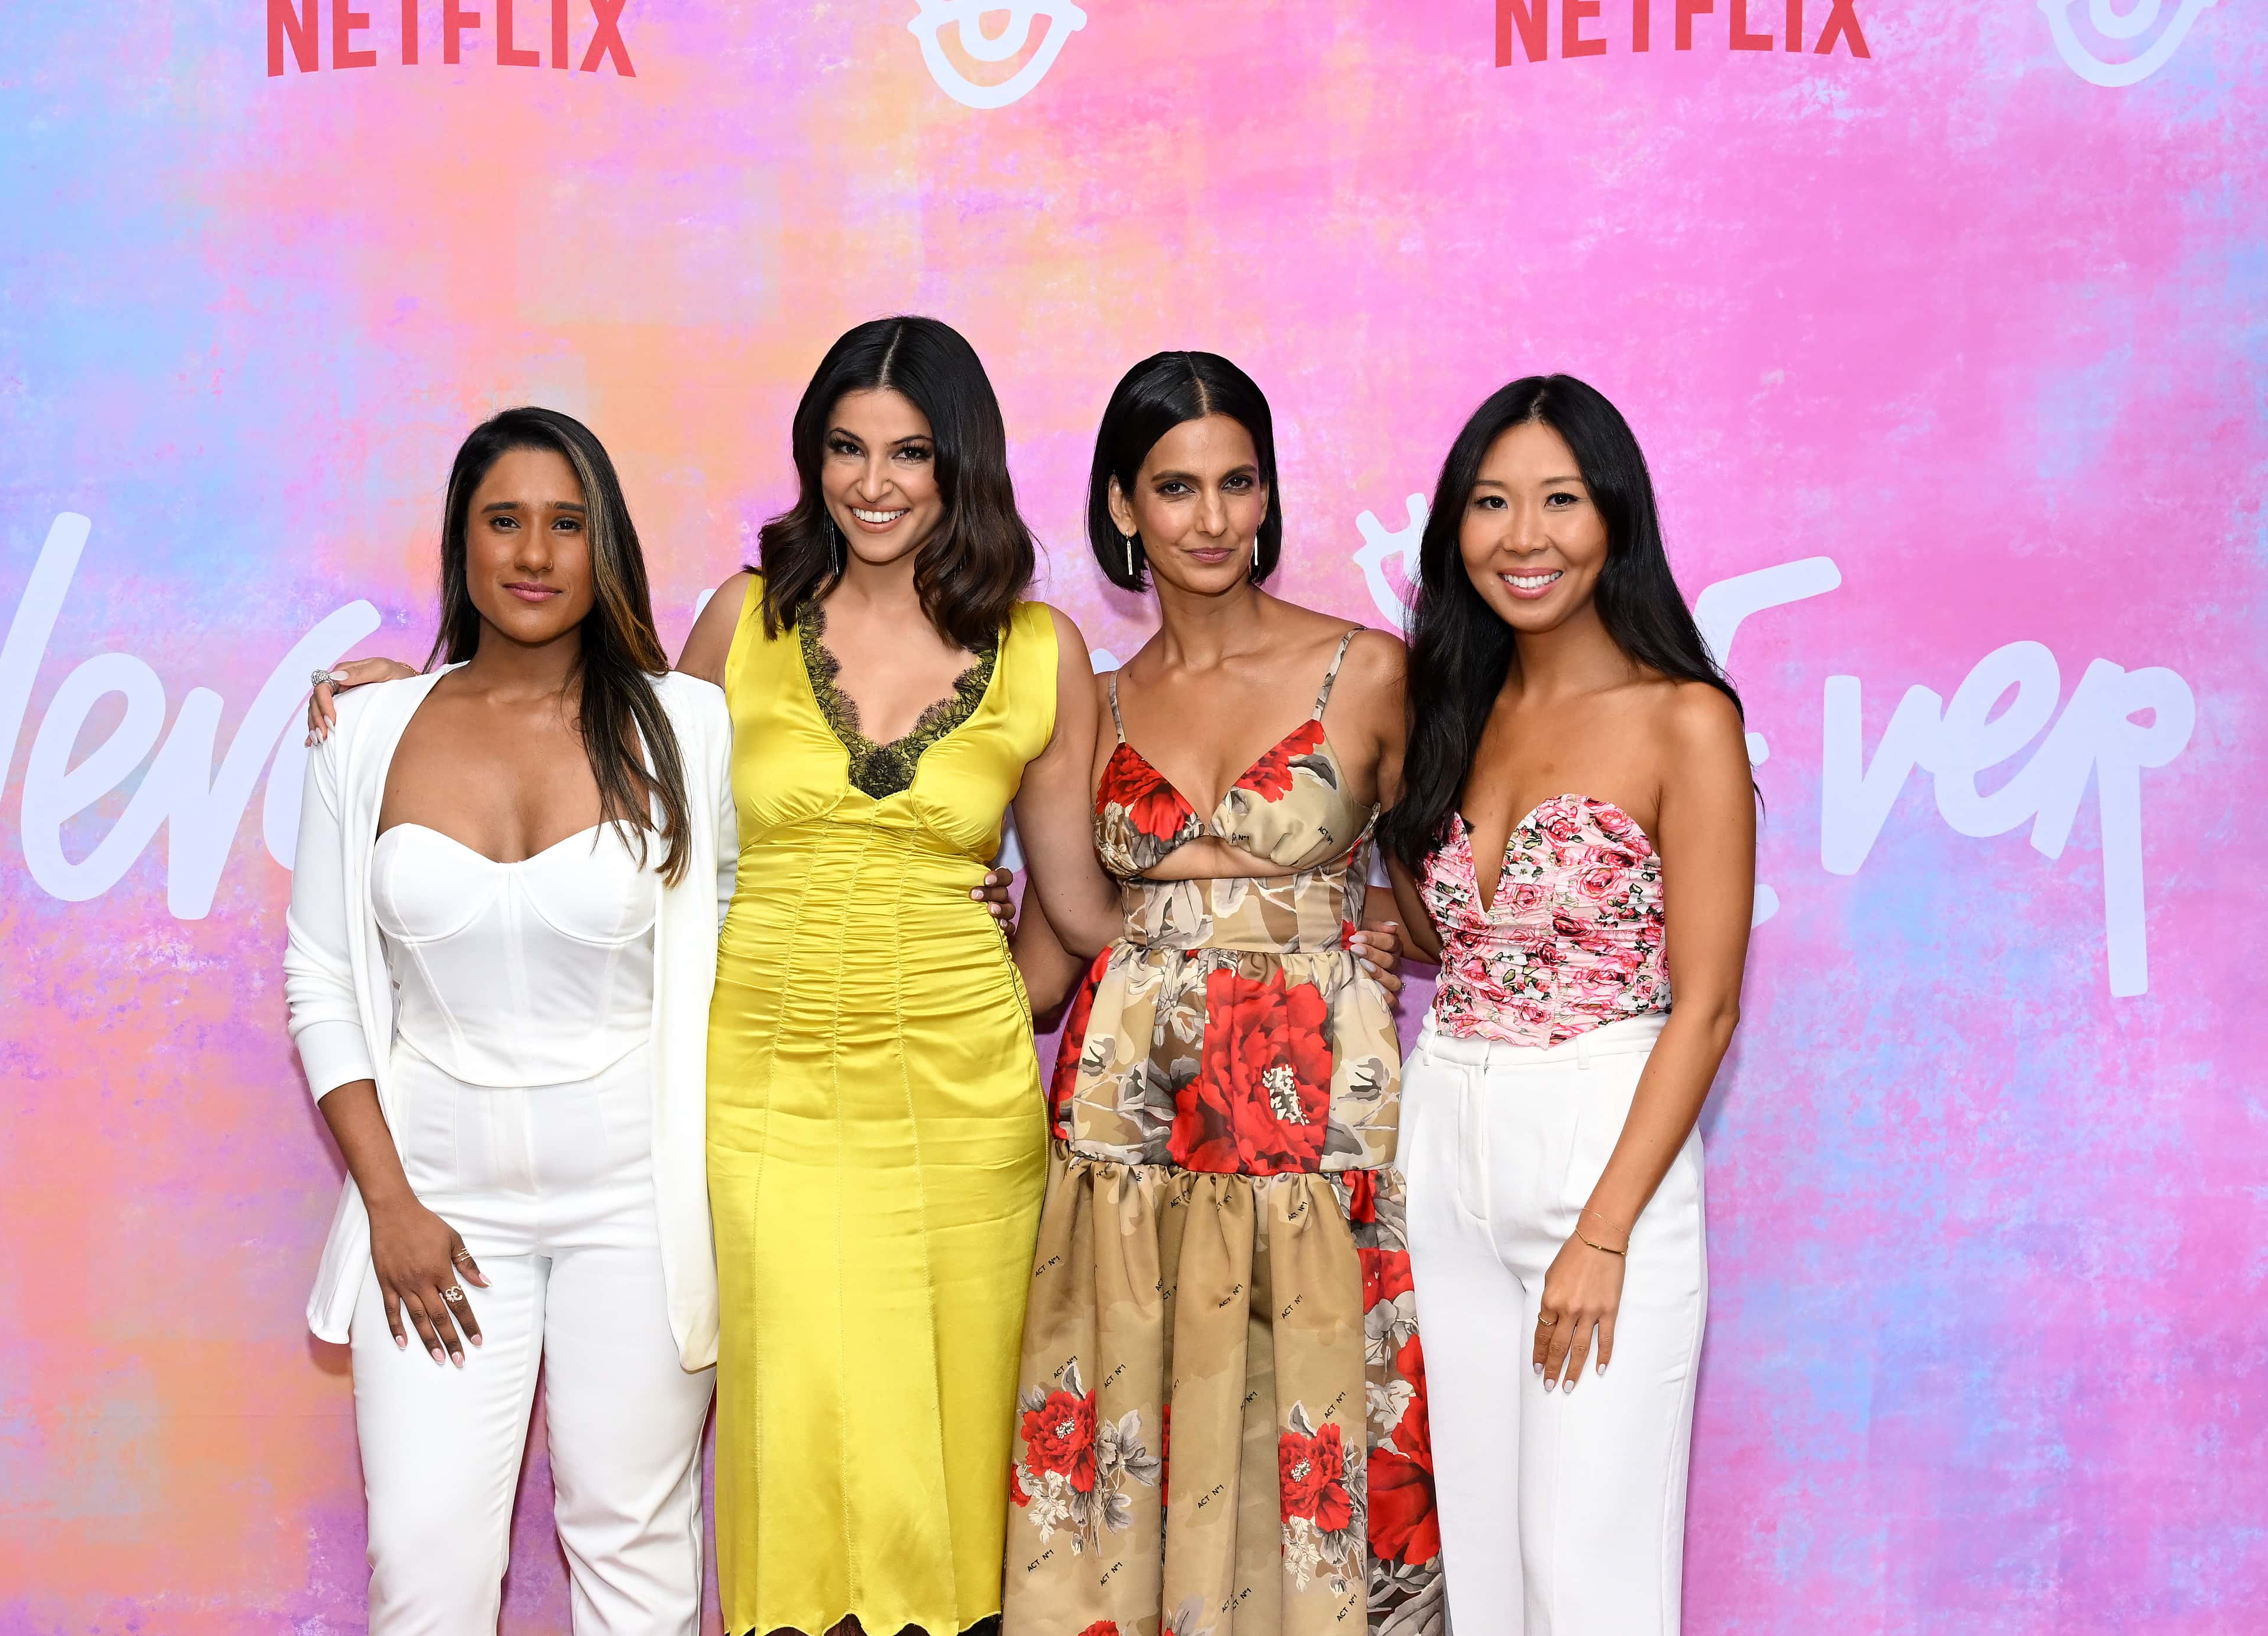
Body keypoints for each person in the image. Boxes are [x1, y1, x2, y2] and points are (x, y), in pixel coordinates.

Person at [668, 315, 1123, 1636]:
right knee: (791, 1417)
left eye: (908, 453)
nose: (872, 483)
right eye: (845, 449)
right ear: (811, 460)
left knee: (953, 1424)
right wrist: (413, 700)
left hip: (961, 1096)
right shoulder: (739, 621)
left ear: (957, 465)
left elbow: (1077, 903)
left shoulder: (1041, 653)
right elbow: (617, 803)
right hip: (763, 1083)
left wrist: (1295, 890)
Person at [1002, 351, 1438, 1635]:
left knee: (1307, 1423)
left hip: (1318, 1128)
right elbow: (1060, 941)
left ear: (1265, 498)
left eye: (1236, 483)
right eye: (1175, 487)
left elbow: (1431, 904)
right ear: (1122, 508)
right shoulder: (1089, 699)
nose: (1211, 519)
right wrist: (936, 930)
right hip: (1129, 1132)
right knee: (1144, 1415)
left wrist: (1364, 912)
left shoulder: (1365, 670)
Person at [283, 408, 735, 1635]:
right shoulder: (363, 731)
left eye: (566, 523)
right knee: (424, 1569)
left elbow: (758, 920)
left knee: (634, 1557)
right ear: (461, 542)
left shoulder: (687, 727)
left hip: (637, 1212)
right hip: (431, 1209)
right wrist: (389, 1206)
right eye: (503, 520)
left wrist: (955, 896)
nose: (533, 552)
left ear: (605, 549)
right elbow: (319, 981)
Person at [1375, 375, 1754, 1636]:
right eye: (1489, 503)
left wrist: (1602, 1234)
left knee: (1583, 1574)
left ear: (1614, 521)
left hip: (1603, 1145)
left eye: (1557, 500)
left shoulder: (1681, 719)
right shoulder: (1453, 709)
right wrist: (1385, 929)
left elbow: (1703, 1008)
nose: (1521, 536)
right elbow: (1462, 935)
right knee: (1481, 1570)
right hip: (1445, 1131)